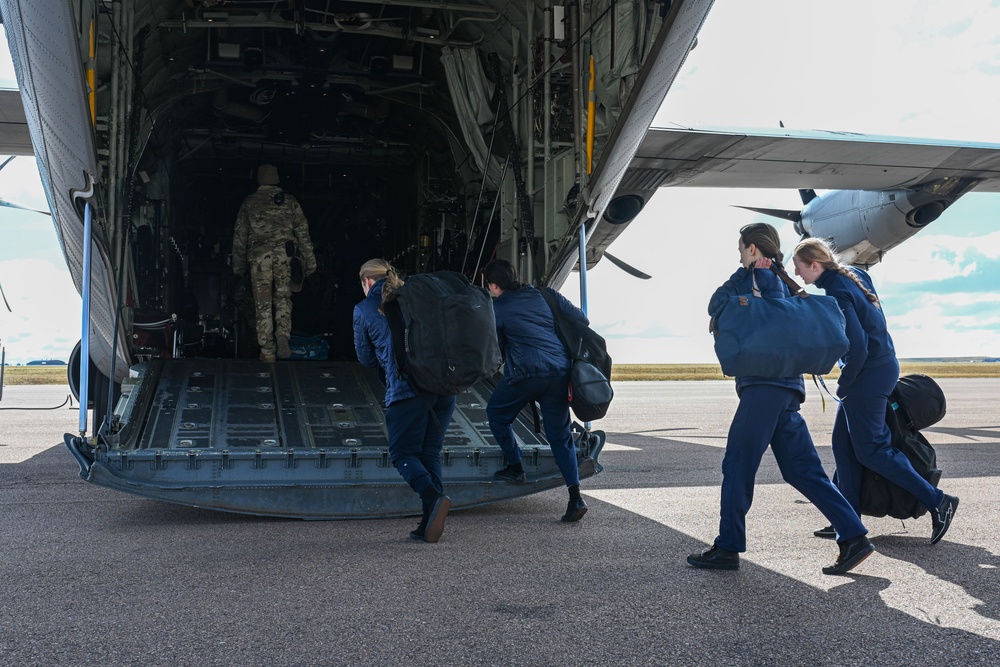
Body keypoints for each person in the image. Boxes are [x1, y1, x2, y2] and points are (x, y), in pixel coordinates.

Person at [688, 223, 873, 575]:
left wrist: (745, 273)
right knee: (802, 470)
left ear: (754, 249)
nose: (740, 256)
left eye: (743, 249)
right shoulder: (789, 282)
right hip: (787, 388)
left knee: (737, 465)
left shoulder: (756, 279)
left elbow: (716, 303)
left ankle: (727, 547)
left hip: (763, 388)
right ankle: (853, 536)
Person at [792, 237, 959, 544]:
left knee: (872, 450)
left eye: (800, 268)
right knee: (843, 446)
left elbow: (858, 345)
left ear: (815, 265)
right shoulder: (852, 276)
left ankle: (938, 501)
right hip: (876, 369)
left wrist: (845, 380)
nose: (799, 274)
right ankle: (847, 517)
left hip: (867, 375)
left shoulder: (837, 291)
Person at [353, 259, 456, 542]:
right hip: (444, 389)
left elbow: (365, 358)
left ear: (367, 282)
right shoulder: (418, 297)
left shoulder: (364, 309)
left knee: (401, 453)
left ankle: (433, 496)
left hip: (407, 391)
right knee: (429, 453)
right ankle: (428, 522)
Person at [483, 259, 589, 523]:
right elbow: (581, 319)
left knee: (497, 414)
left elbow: (492, 348)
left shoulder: (497, 309)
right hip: (559, 372)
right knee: (560, 436)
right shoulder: (546, 295)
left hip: (525, 374)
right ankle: (575, 495)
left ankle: (515, 467)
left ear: (494, 286)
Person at [232, 164, 317, 362]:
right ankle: (282, 335)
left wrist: (238, 266)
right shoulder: (290, 201)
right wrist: (310, 261)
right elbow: (303, 232)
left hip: (260, 258)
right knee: (283, 297)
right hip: (285, 256)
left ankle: (267, 350)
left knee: (262, 303)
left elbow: (240, 237)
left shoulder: (250, 202)